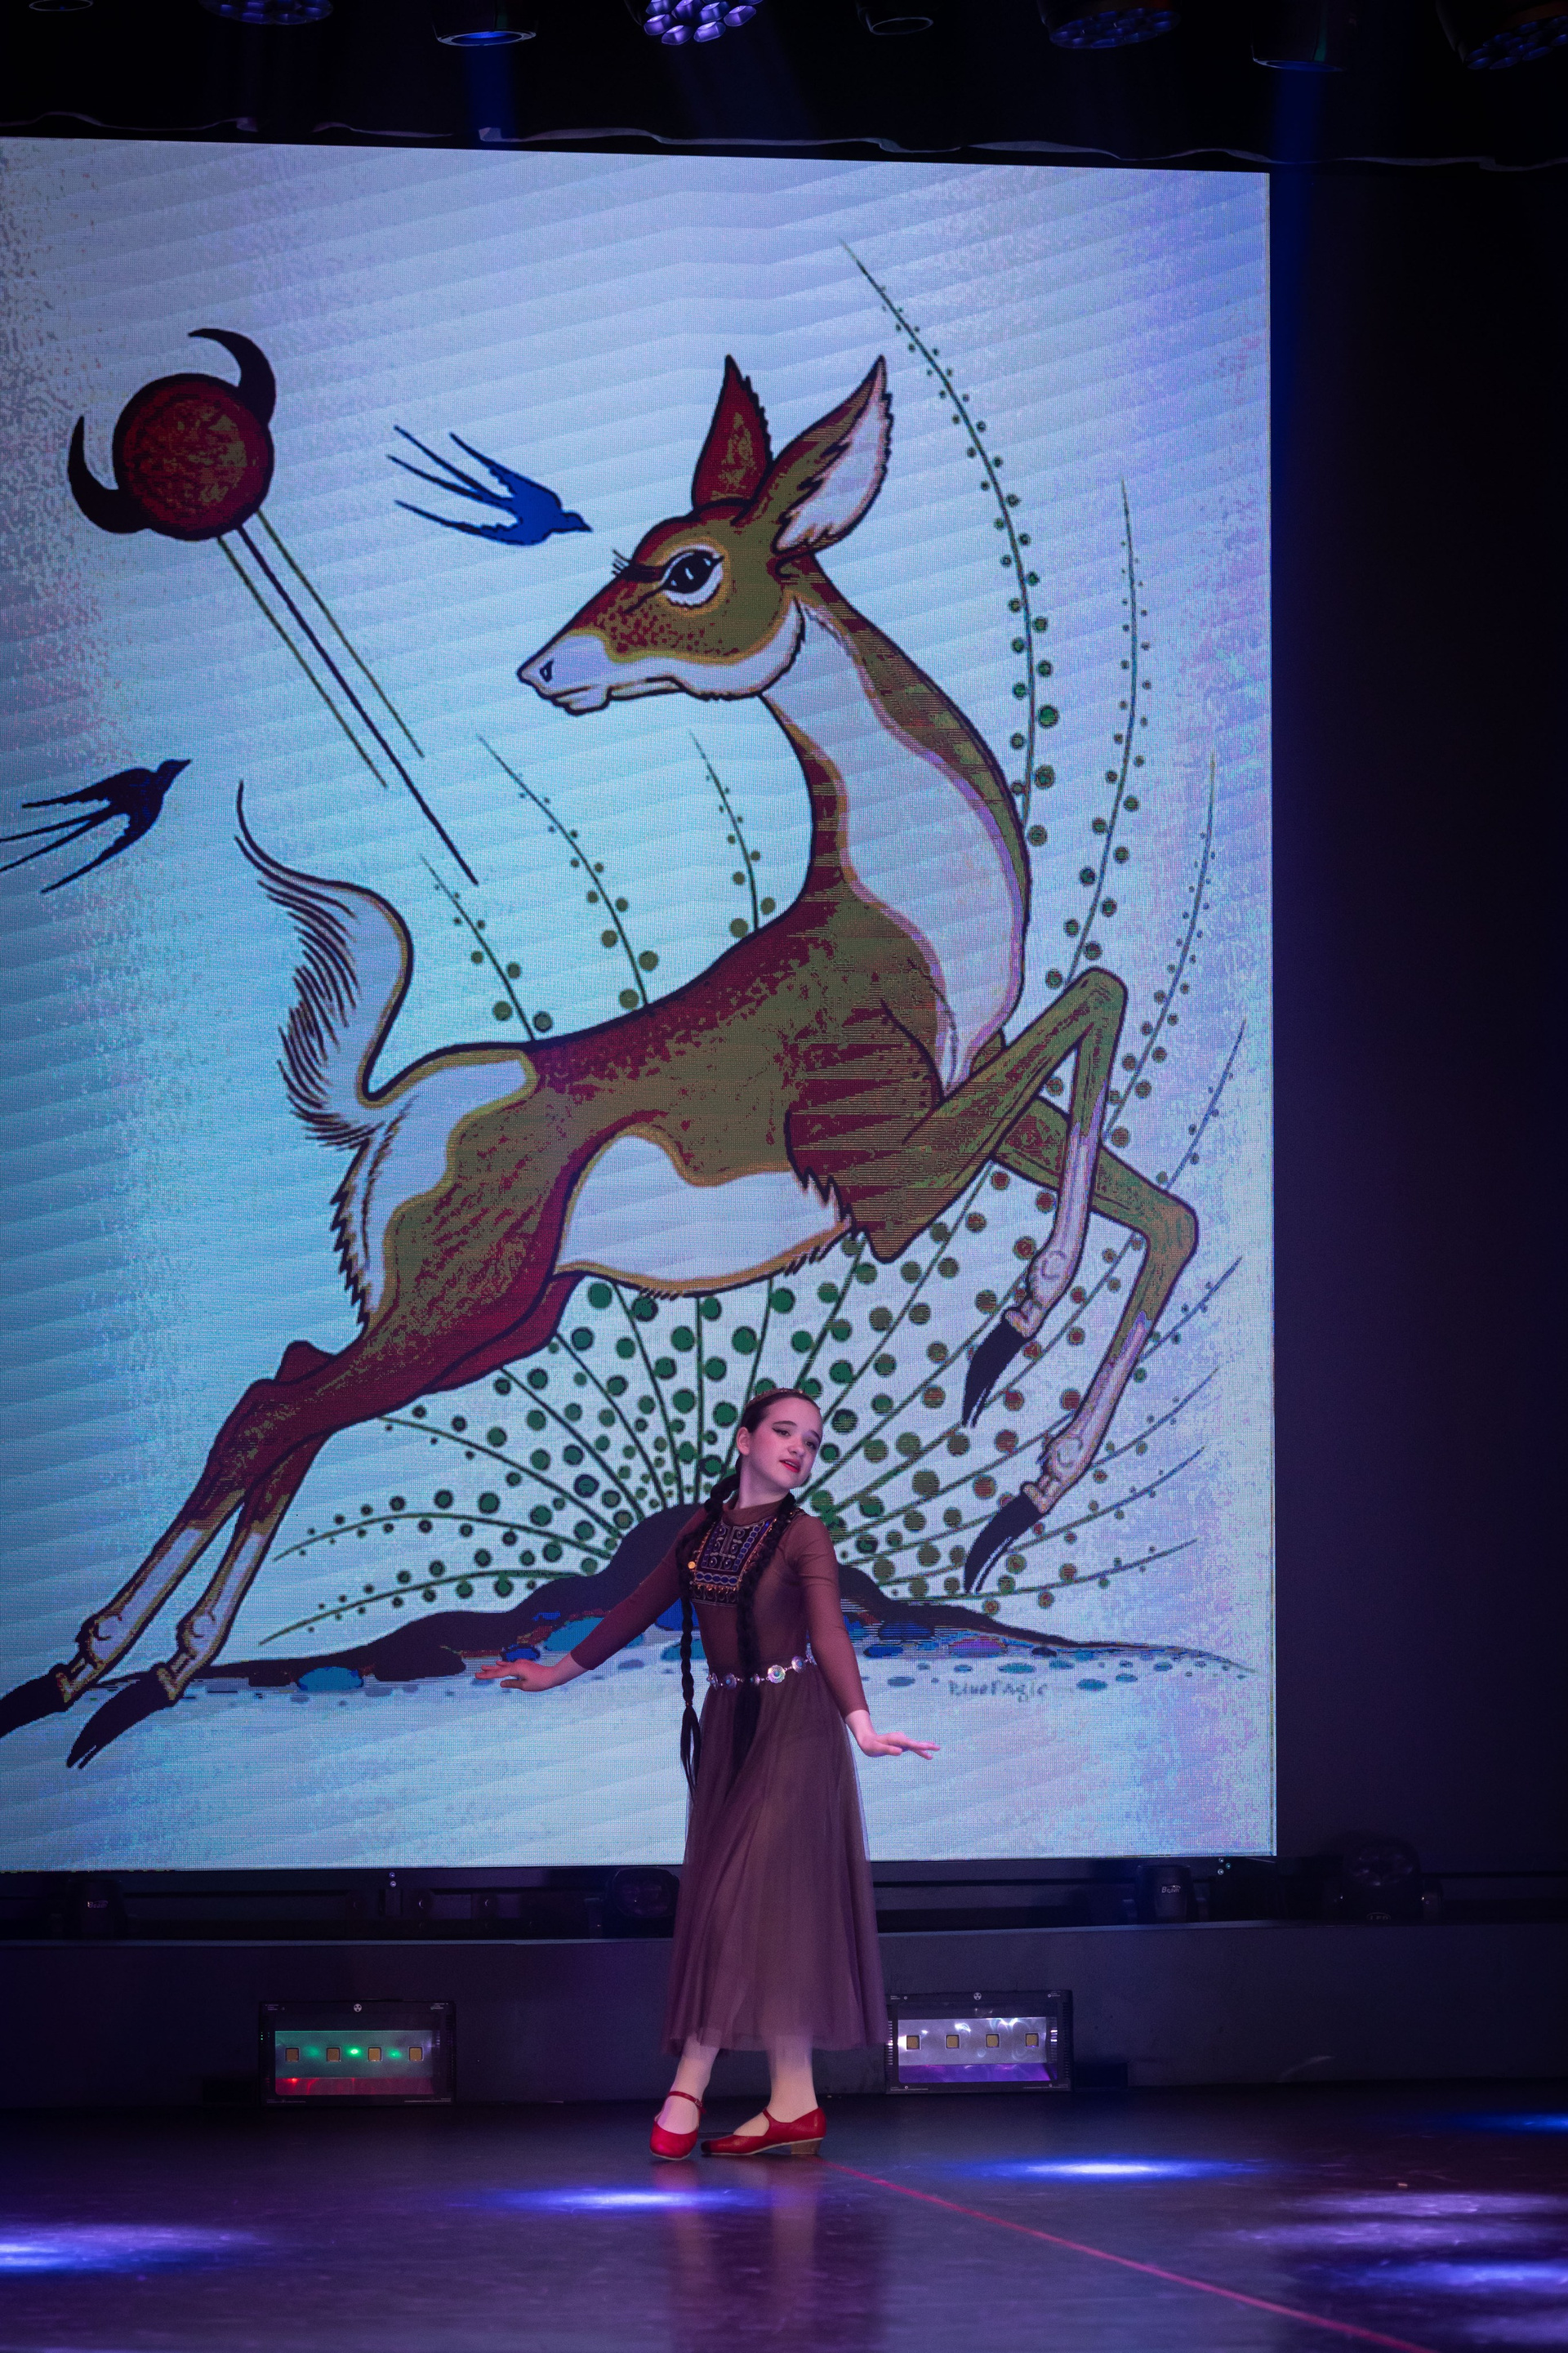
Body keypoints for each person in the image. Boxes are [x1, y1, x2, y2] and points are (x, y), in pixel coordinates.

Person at [478, 1384, 937, 2159]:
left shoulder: (805, 1535)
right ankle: (795, 2102)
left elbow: (828, 1630)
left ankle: (687, 2085)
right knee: (772, 1912)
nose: (799, 1448)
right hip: (730, 1726)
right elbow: (635, 1607)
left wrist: (860, 1723)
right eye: (785, 1431)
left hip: (796, 1728)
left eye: (812, 1442)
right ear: (745, 1440)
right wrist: (555, 1672)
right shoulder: (702, 1530)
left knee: (736, 1898)